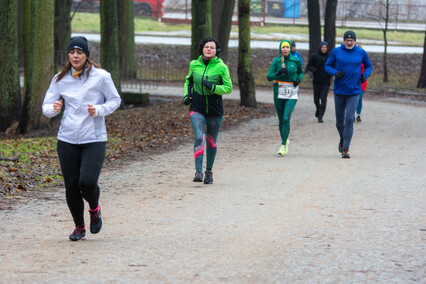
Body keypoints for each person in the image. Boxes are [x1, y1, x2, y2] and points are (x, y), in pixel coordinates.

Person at [42, 36, 121, 241]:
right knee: (71, 186)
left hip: (93, 138)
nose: (75, 56)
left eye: (80, 53)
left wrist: (99, 110)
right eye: (72, 52)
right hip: (67, 138)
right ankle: (79, 227)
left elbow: (115, 100)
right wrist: (54, 109)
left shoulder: (101, 76)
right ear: (68, 55)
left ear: (86, 55)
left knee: (87, 182)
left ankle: (94, 209)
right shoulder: (60, 78)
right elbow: (46, 106)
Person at [183, 37, 232, 184]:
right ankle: (198, 172)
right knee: (199, 137)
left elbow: (228, 88)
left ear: (217, 50)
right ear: (202, 49)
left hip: (214, 108)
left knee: (211, 142)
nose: (209, 49)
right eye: (206, 47)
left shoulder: (222, 67)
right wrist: (187, 95)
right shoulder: (194, 64)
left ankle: (208, 172)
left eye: (212, 47)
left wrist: (212, 87)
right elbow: (189, 81)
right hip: (197, 107)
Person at [325, 31, 372, 158]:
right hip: (339, 91)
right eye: (347, 40)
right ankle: (342, 138)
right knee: (339, 122)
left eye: (352, 41)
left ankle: (346, 148)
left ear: (355, 41)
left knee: (349, 119)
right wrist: (335, 72)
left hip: (354, 91)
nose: (349, 43)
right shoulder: (336, 51)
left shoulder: (361, 52)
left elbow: (369, 66)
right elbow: (327, 66)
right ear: (344, 40)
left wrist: (365, 76)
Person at [267, 40, 303, 156]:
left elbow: (301, 72)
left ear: (290, 49)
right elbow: (269, 77)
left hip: (292, 92)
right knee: (281, 119)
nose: (286, 49)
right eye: (284, 47)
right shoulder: (276, 61)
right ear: (280, 49)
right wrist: (277, 73)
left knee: (286, 118)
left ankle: (283, 144)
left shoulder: (295, 60)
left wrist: (298, 79)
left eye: (288, 47)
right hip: (279, 91)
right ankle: (285, 139)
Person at [306, 41, 331, 123]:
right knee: (316, 99)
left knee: (323, 99)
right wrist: (312, 69)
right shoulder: (314, 56)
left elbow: (334, 66)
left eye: (325, 47)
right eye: (322, 47)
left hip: (326, 81)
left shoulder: (330, 56)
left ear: (327, 48)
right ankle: (318, 108)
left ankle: (320, 116)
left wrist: (331, 72)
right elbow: (309, 65)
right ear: (320, 48)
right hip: (316, 81)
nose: (324, 49)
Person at [355, 45, 368, 122]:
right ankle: (351, 114)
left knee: (359, 98)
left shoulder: (365, 60)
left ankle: (358, 115)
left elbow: (368, 68)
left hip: (362, 81)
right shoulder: (352, 59)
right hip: (353, 81)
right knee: (352, 98)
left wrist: (365, 75)